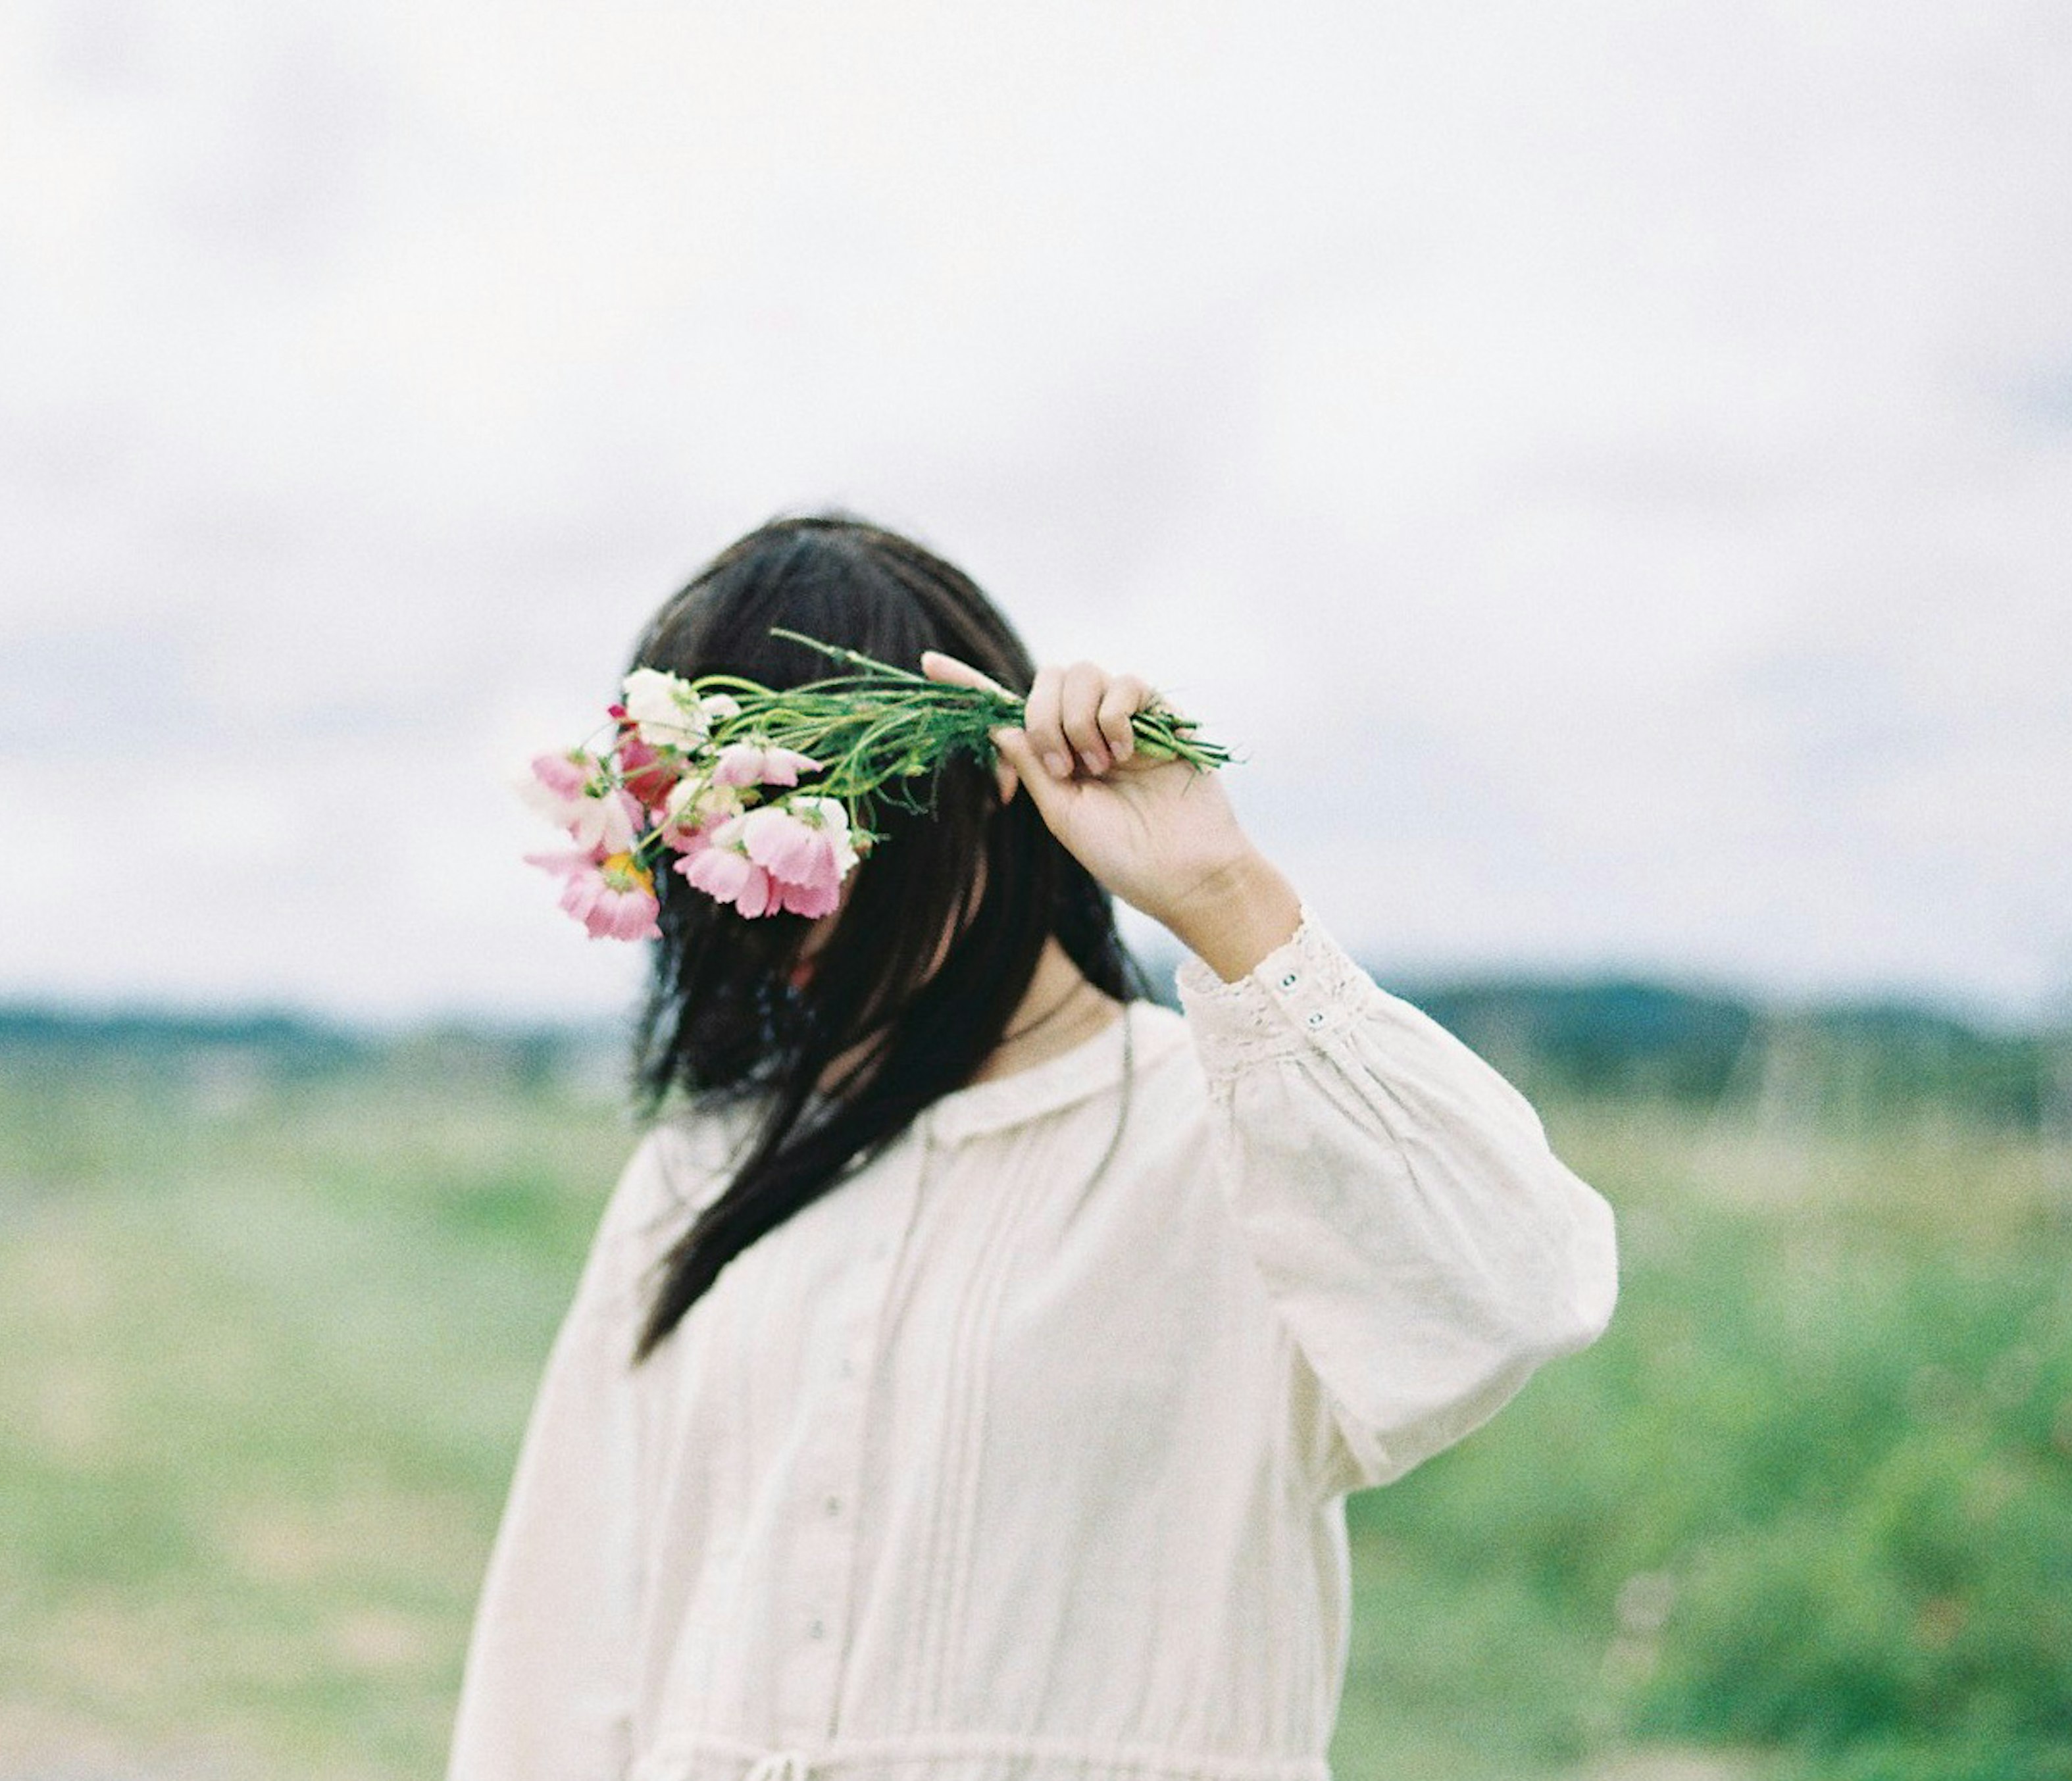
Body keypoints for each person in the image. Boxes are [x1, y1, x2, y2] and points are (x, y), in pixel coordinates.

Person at [448, 514, 1619, 1781]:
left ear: (989, 775)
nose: (779, 914)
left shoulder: (1233, 1126)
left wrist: (1219, 894)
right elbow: (567, 1652)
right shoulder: (704, 1169)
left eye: (808, 827)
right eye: (707, 839)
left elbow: (1520, 1293)